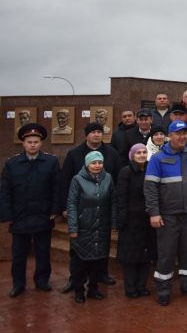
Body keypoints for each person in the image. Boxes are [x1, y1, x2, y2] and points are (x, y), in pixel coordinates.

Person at [144, 120, 187, 306]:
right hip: (168, 216)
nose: (182, 136)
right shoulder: (157, 158)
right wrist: (154, 213)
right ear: (169, 136)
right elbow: (150, 188)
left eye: (184, 133)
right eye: (178, 133)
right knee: (166, 254)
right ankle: (163, 289)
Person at [59, 122, 120, 292]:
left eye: (99, 132)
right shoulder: (74, 154)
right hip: (81, 212)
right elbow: (65, 180)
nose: (96, 135)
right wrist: (64, 206)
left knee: (102, 244)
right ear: (86, 135)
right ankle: (75, 279)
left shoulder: (112, 154)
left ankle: (102, 274)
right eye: (93, 132)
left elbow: (116, 180)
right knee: (77, 249)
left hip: (103, 210)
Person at [0, 124, 60, 298]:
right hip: (20, 215)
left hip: (43, 214)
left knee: (43, 251)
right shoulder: (12, 164)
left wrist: (55, 209)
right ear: (23, 144)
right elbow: (5, 191)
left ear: (41, 144)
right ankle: (18, 284)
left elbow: (57, 188)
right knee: (18, 253)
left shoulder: (51, 162)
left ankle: (42, 280)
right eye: (29, 142)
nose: (33, 145)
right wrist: (7, 215)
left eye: (36, 141)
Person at [66, 151, 116, 303]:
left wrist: (113, 222)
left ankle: (93, 288)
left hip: (102, 226)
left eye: (99, 163)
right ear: (87, 165)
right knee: (81, 262)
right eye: (93, 163)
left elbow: (113, 201)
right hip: (84, 226)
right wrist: (73, 227)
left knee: (98, 259)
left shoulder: (108, 178)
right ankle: (79, 290)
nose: (97, 166)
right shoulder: (77, 180)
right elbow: (72, 203)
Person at [116, 144, 156, 298]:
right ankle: (131, 287)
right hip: (131, 220)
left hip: (147, 218)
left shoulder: (150, 170)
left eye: (144, 152)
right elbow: (122, 196)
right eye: (138, 153)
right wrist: (122, 218)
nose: (141, 155)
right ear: (132, 155)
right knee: (131, 256)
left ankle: (142, 285)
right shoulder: (125, 172)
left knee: (145, 255)